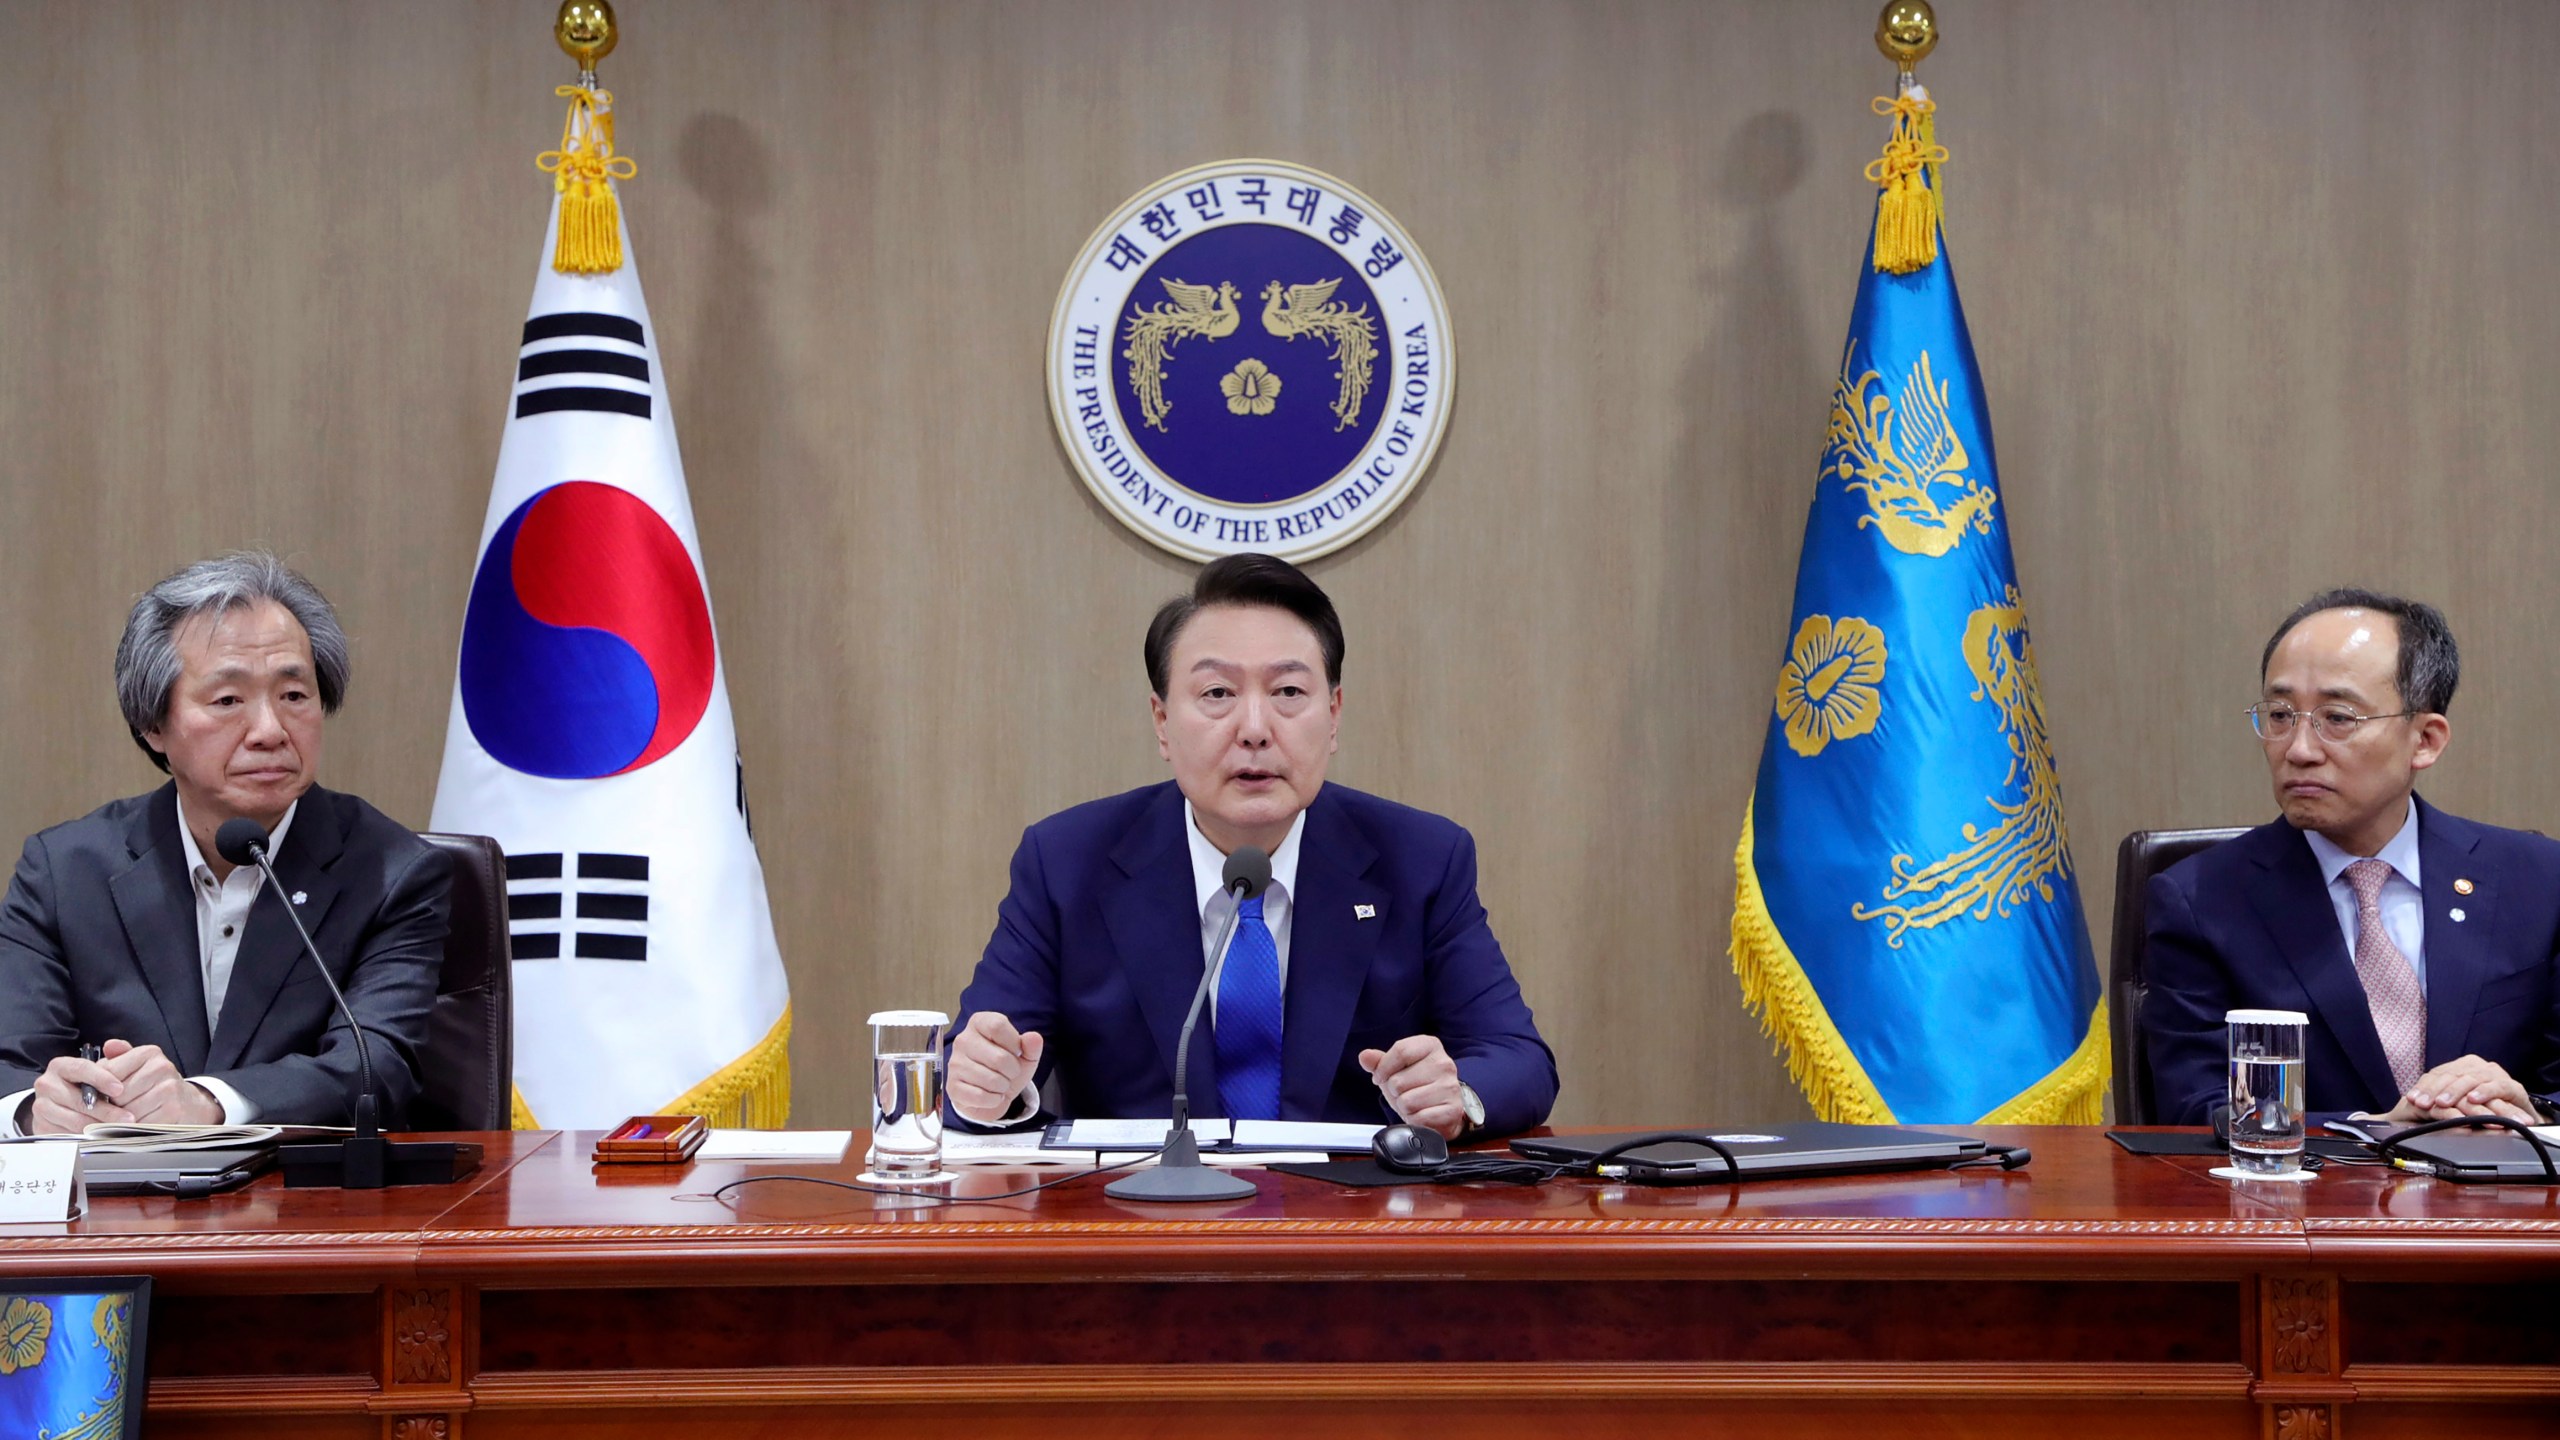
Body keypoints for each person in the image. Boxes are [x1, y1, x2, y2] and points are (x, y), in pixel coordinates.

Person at [948, 553, 1558, 1138]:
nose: (1255, 729)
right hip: (1140, 1222)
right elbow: (969, 1066)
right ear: (1163, 722)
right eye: (1217, 694)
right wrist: (988, 1086)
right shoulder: (1067, 863)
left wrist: (1457, 1095)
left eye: (1289, 693)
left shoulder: (1421, 859)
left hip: (1349, 1227)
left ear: (1335, 714)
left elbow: (1519, 1060)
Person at [0, 553, 454, 1134]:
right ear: (154, 725)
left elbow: (375, 1067)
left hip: (303, 1213)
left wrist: (209, 1104)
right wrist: (37, 1110)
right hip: (115, 1214)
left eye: (294, 695)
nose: (269, 731)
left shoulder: (393, 872)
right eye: (228, 701)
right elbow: (13, 1061)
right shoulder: (63, 873)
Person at [2144, 589, 2560, 1128]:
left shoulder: (2537, 881)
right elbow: (2196, 1113)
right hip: (2302, 1209)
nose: (2299, 749)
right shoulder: (2201, 902)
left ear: (2425, 740)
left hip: (2501, 1204)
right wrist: (2378, 1129)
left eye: (2337, 718)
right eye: (2279, 714)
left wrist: (2526, 1116)